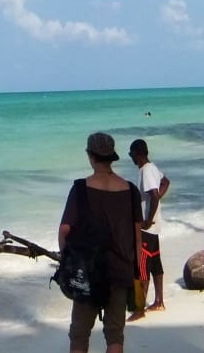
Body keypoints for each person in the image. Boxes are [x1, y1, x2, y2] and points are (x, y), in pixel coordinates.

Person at [59, 132, 144, 353]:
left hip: (88, 271)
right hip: (120, 271)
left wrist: (67, 261)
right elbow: (137, 239)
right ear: (111, 156)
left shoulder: (80, 188)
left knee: (79, 335)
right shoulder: (131, 190)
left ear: (90, 155)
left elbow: (64, 230)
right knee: (115, 335)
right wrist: (138, 276)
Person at [126, 138, 170, 321]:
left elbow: (153, 194)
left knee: (141, 267)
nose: (131, 158)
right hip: (156, 226)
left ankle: (139, 308)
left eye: (131, 155)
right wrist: (156, 202)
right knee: (156, 265)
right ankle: (159, 301)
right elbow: (166, 182)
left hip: (148, 227)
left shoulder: (145, 170)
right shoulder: (153, 168)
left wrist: (146, 220)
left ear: (137, 153)